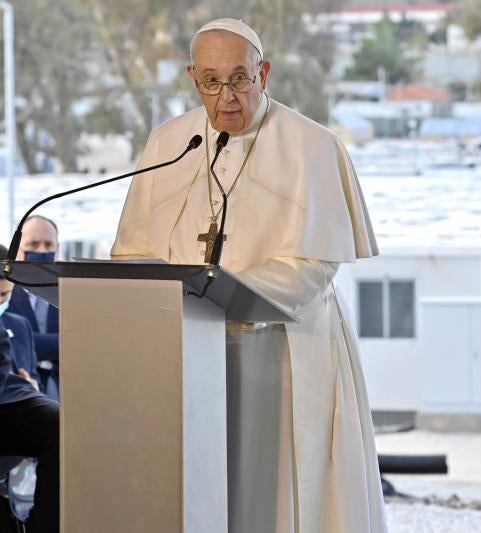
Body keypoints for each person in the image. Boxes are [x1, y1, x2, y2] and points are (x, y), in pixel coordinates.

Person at [111, 18, 386, 533]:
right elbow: (135, 254)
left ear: (264, 72)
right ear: (194, 78)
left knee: (276, 495)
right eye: (212, 82)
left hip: (284, 349)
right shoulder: (171, 142)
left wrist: (222, 295)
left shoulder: (312, 146)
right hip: (184, 356)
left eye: (240, 78)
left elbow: (315, 264)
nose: (227, 97)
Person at [0, 245, 60, 533]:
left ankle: (44, 525)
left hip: (9, 392)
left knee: (60, 421)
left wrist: (33, 386)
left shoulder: (17, 325)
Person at [8, 215, 60, 400]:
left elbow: (86, 340)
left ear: (58, 248)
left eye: (48, 244)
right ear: (17, 249)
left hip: (63, 389)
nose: (42, 250)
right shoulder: (5, 293)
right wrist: (63, 341)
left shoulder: (70, 294)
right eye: (33, 244)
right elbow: (11, 341)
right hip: (18, 393)